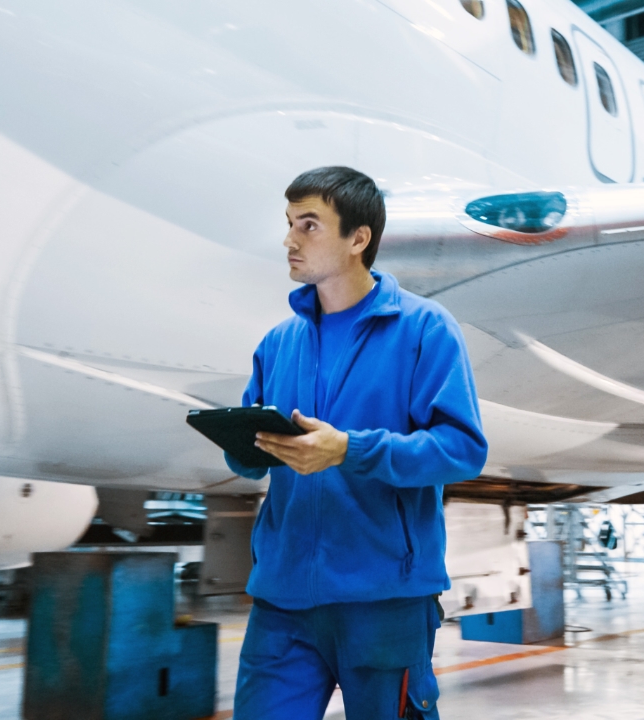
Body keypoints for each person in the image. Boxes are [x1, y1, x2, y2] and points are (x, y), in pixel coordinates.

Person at [227, 166, 487, 719]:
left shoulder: (424, 329)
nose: (290, 239)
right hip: (283, 599)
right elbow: (248, 457)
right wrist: (244, 445)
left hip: (384, 600)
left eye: (309, 225)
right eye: (290, 223)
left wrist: (350, 450)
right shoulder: (279, 343)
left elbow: (462, 449)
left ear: (358, 238)